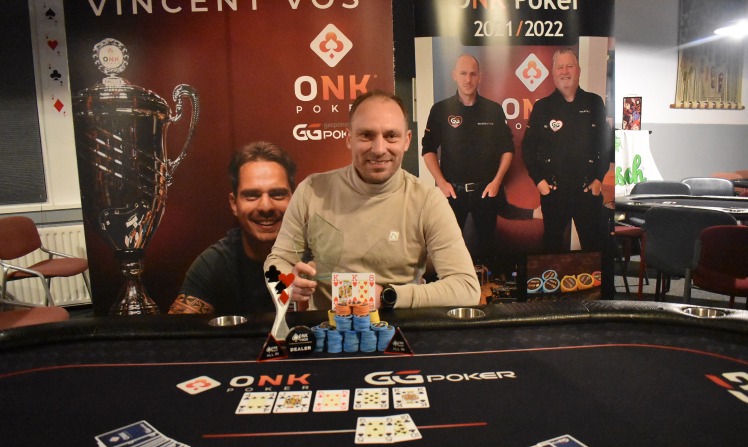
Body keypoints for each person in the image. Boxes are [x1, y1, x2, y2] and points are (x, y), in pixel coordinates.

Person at [265, 90, 481, 311]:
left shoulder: (428, 201)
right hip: (327, 329)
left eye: (391, 136)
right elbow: (277, 261)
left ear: (407, 141)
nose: (379, 149)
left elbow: (466, 289)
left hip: (402, 329)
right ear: (349, 138)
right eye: (367, 135)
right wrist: (284, 284)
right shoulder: (312, 191)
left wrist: (388, 297)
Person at [169, 141, 295, 315]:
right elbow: (179, 330)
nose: (266, 207)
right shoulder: (214, 263)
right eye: (252, 195)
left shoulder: (317, 255)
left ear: (294, 200)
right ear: (234, 204)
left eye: (277, 194)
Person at [421, 54, 524, 263]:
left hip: (485, 192)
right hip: (452, 193)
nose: (468, 79)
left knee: (488, 248)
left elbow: (507, 149)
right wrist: (441, 183)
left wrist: (496, 182)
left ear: (480, 77)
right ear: (454, 75)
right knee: (448, 250)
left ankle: (488, 283)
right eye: (463, 74)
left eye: (472, 74)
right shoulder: (440, 110)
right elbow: (428, 149)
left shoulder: (493, 110)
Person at [521, 49, 611, 253]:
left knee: (593, 250)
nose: (565, 71)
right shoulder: (542, 107)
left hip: (587, 192)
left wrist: (599, 179)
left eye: (569, 66)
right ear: (553, 73)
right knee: (551, 250)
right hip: (554, 193)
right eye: (560, 67)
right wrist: (540, 183)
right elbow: (528, 148)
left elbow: (606, 145)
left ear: (578, 70)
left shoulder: (594, 103)